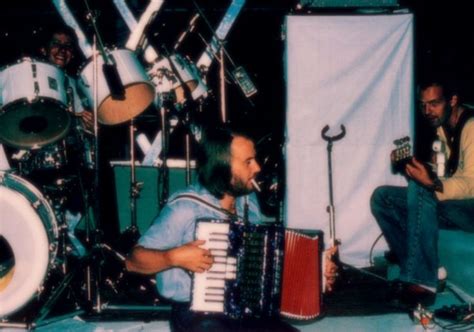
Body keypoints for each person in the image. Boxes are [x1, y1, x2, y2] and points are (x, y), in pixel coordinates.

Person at [126, 126, 266, 331]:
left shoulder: (249, 201)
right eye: (248, 162)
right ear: (223, 166)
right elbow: (132, 261)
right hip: (195, 312)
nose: (258, 167)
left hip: (246, 309)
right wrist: (172, 257)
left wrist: (314, 267)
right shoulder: (185, 207)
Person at [370, 78, 474, 308]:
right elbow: (448, 173)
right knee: (382, 198)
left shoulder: (472, 127)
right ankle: (422, 269)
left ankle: (423, 282)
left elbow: (471, 184)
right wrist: (412, 166)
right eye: (423, 104)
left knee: (423, 187)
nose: (427, 111)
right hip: (458, 203)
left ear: (453, 100)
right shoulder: (443, 127)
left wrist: (432, 183)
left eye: (434, 103)